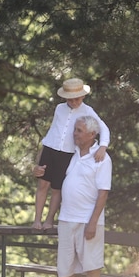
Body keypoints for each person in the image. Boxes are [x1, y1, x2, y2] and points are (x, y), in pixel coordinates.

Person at [52, 115, 112, 277]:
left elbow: (103, 193)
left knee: (92, 264)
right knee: (65, 264)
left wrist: (93, 222)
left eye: (79, 130)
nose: (74, 134)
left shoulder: (102, 158)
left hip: (88, 220)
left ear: (92, 134)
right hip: (67, 219)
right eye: (75, 129)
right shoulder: (73, 154)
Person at [32, 77, 110, 231]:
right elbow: (52, 130)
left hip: (67, 154)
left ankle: (49, 220)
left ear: (83, 96)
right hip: (50, 148)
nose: (74, 102)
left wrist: (103, 146)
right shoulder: (59, 108)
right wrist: (40, 154)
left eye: (77, 99)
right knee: (43, 184)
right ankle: (36, 220)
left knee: (57, 188)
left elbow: (103, 127)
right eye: (70, 100)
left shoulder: (88, 111)